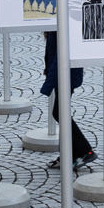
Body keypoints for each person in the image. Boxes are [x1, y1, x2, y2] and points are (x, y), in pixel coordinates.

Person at [40, 30, 95, 171]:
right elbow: (52, 50)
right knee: (60, 113)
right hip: (62, 72)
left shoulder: (62, 25)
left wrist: (49, 80)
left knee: (59, 113)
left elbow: (61, 53)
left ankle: (85, 150)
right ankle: (69, 155)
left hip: (65, 73)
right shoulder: (54, 27)